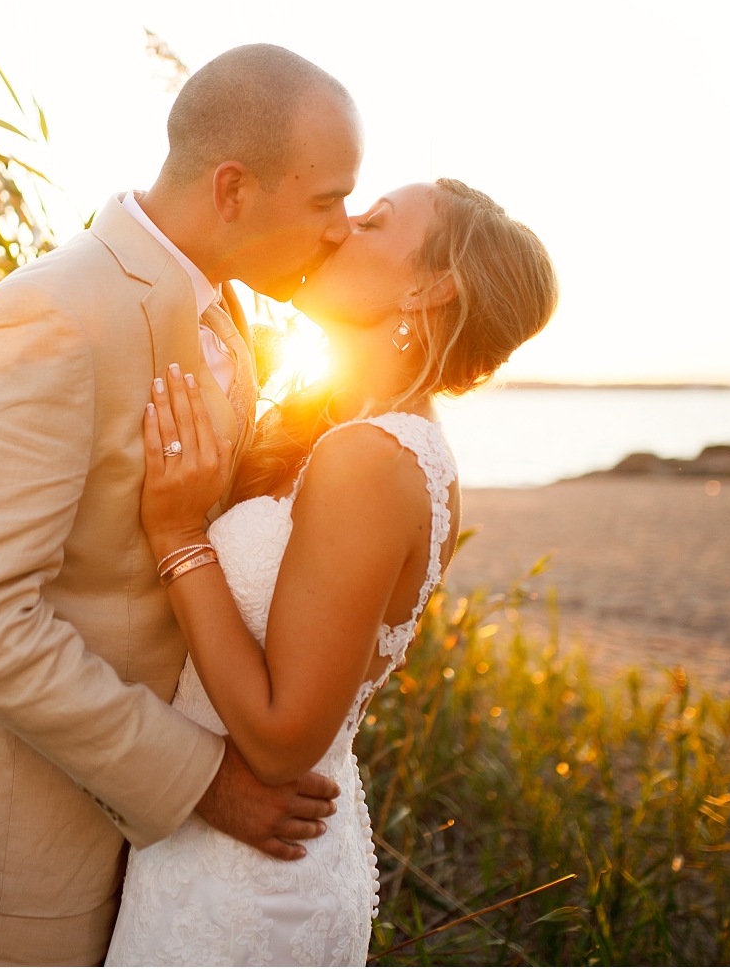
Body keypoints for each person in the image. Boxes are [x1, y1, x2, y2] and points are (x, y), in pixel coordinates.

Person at [0, 44, 363, 965]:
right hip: (1, 857)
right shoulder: (48, 316)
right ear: (235, 189)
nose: (340, 228)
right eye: (326, 200)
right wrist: (204, 780)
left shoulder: (224, 312)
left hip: (129, 849)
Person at [106, 179, 559, 964]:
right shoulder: (355, 435)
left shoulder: (370, 460)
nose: (341, 226)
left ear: (428, 284)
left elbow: (283, 741)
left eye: (375, 221)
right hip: (218, 852)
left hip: (248, 879)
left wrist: (179, 535)